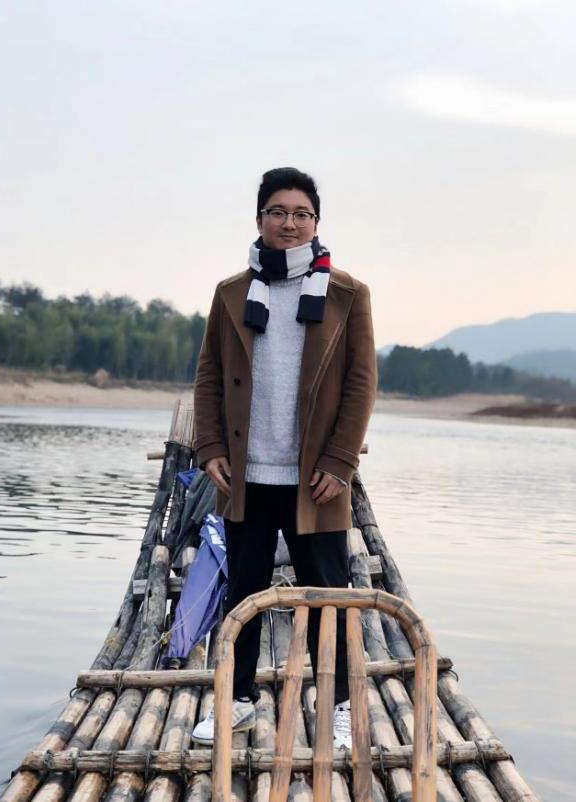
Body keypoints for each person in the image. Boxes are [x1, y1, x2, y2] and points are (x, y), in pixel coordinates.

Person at [191, 167, 377, 748]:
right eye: (278, 212)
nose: (289, 223)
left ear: (316, 223)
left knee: (329, 596)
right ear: (259, 219)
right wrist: (210, 447)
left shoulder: (347, 293)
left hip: (315, 478)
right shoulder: (230, 292)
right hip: (246, 473)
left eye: (301, 214)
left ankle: (339, 704)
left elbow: (361, 384)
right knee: (243, 593)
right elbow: (209, 376)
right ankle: (239, 699)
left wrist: (340, 462)